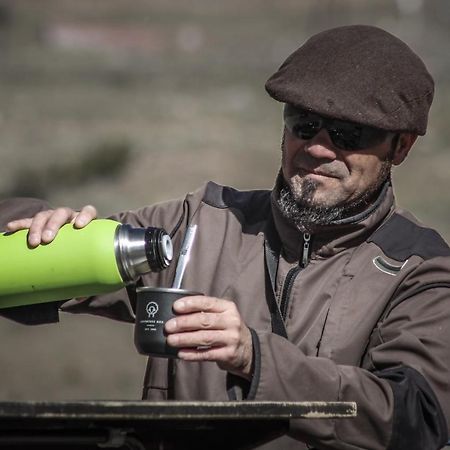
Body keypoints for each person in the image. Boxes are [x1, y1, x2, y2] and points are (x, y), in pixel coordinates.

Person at [3, 25, 450, 449]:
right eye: (303, 122)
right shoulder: (200, 222)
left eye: (350, 133)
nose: (317, 147)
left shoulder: (420, 270)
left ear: (401, 147)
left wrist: (257, 359)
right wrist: (34, 228)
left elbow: (417, 420)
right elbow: (24, 264)